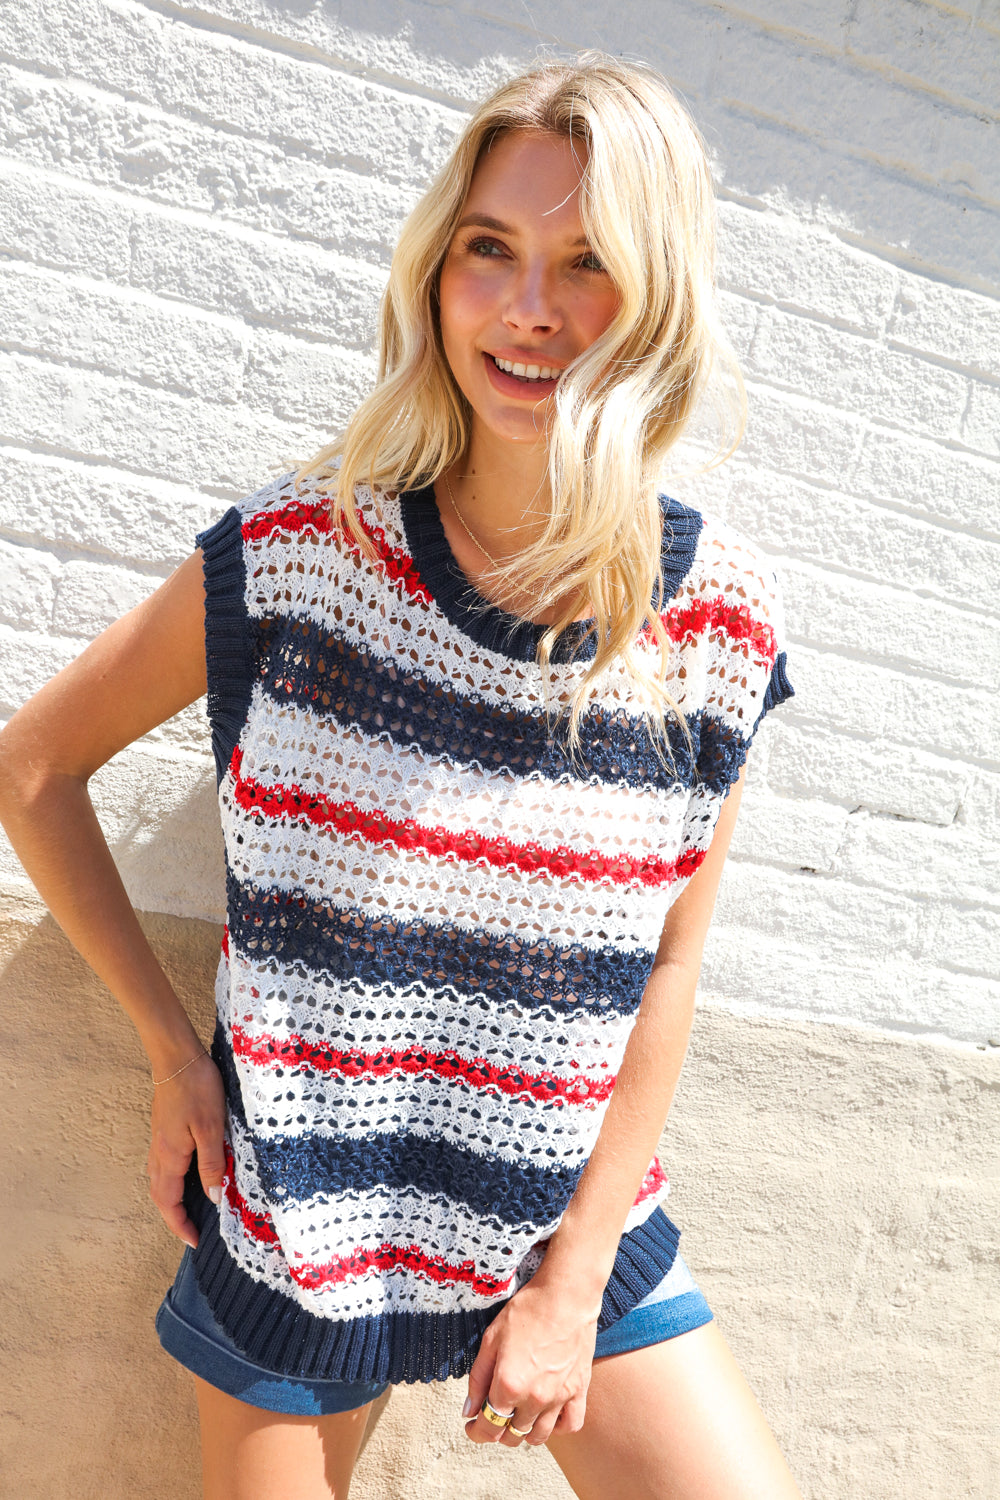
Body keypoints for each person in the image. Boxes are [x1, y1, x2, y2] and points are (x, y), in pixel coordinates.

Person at [0, 52, 803, 1500]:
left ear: (658, 297)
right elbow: (35, 768)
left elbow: (672, 956)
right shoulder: (307, 556)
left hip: (567, 1213)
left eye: (588, 263)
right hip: (301, 1219)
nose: (529, 308)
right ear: (436, 274)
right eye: (489, 250)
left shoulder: (717, 625)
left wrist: (572, 1286)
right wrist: (176, 1057)